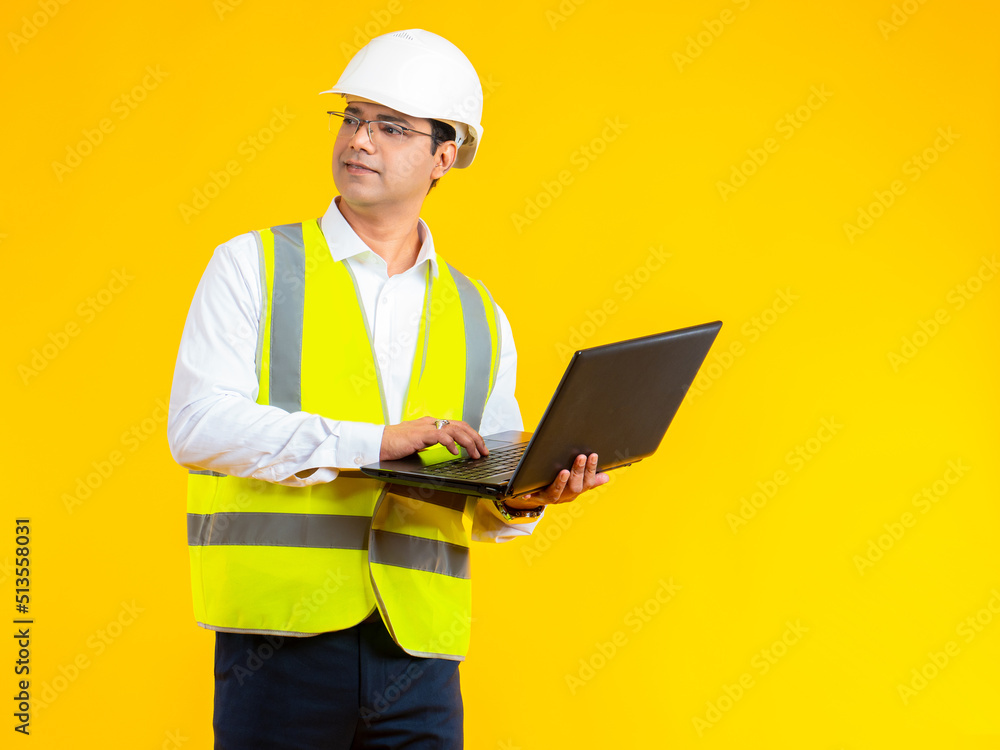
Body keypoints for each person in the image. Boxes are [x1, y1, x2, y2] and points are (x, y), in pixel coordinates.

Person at [168, 29, 607, 749]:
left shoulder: (479, 313)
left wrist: (528, 494)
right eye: (352, 118)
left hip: (421, 652)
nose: (360, 141)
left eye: (390, 126)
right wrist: (372, 443)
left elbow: (485, 491)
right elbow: (197, 425)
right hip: (279, 643)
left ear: (444, 155)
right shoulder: (251, 266)